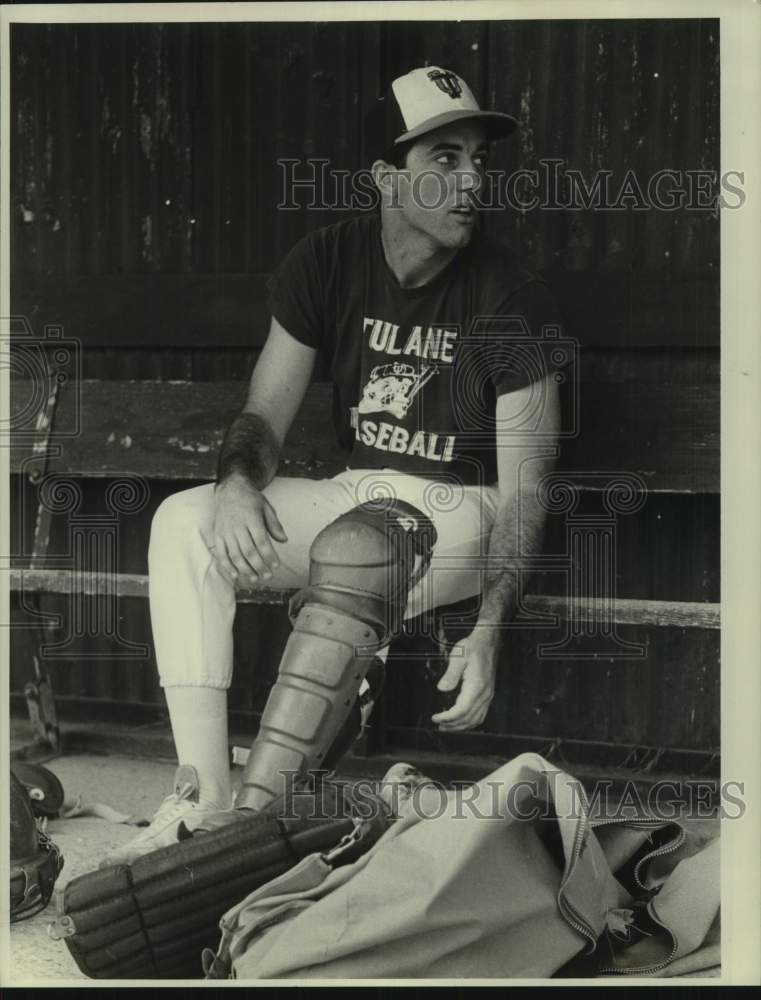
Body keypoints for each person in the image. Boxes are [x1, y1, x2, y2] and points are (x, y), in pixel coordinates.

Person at [102, 65, 565, 866]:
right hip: (359, 498)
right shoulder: (327, 261)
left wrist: (488, 630)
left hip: (464, 510)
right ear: (386, 178)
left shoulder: (511, 294)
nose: (470, 181)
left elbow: (528, 489)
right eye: (443, 160)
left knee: (361, 547)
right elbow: (262, 416)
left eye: (477, 160)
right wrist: (238, 484)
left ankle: (261, 817)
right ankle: (204, 805)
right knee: (187, 521)